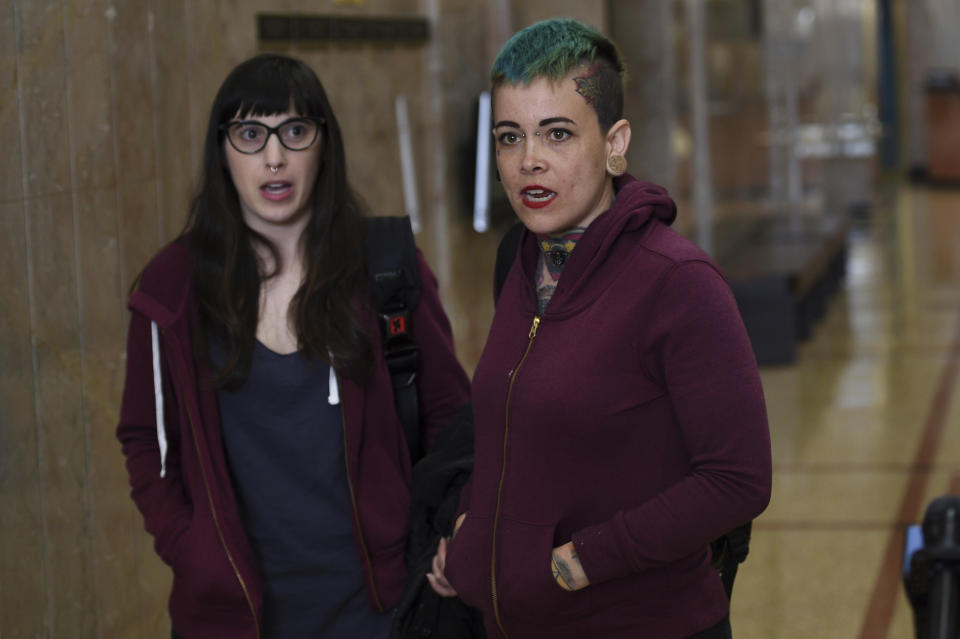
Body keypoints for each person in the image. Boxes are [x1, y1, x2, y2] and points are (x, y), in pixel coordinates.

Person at [427, 17, 772, 639]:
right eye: (510, 137)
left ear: (616, 143)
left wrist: (582, 563)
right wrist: (470, 525)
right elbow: (512, 421)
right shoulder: (520, 260)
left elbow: (736, 479)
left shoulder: (678, 281)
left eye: (557, 134)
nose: (528, 161)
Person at [116, 53, 470, 639]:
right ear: (222, 151)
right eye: (251, 135)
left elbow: (455, 426)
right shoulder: (171, 289)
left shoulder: (386, 269)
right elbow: (145, 441)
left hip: (381, 612)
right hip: (234, 617)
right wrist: (192, 550)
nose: (274, 157)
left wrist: (456, 533)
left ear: (323, 145)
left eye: (295, 132)